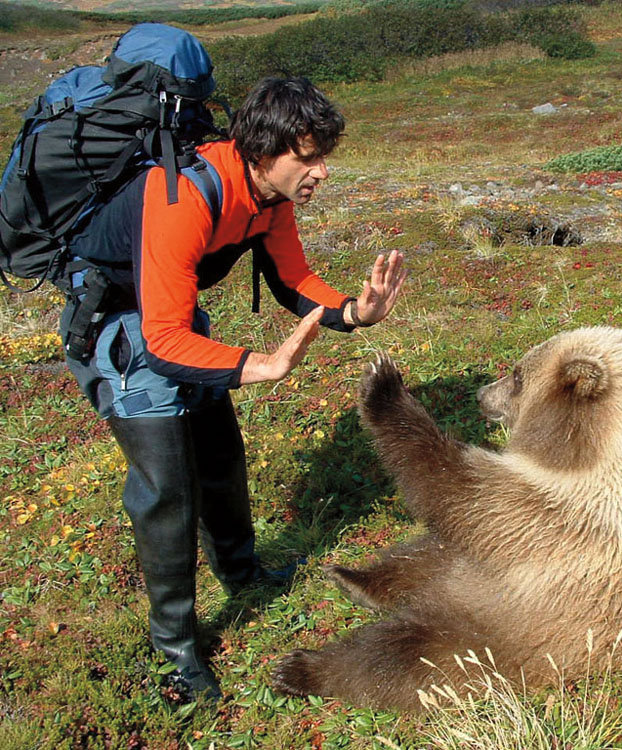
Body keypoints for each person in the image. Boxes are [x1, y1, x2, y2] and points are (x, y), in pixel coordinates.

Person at [57, 76, 406, 701]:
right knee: (166, 489)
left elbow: (293, 277)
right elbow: (161, 341)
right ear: (261, 151)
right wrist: (262, 364)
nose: (321, 171)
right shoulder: (182, 198)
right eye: (308, 156)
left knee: (219, 453)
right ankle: (177, 649)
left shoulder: (271, 197)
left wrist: (355, 311)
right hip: (121, 325)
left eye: (324, 155)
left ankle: (243, 573)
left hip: (170, 312)